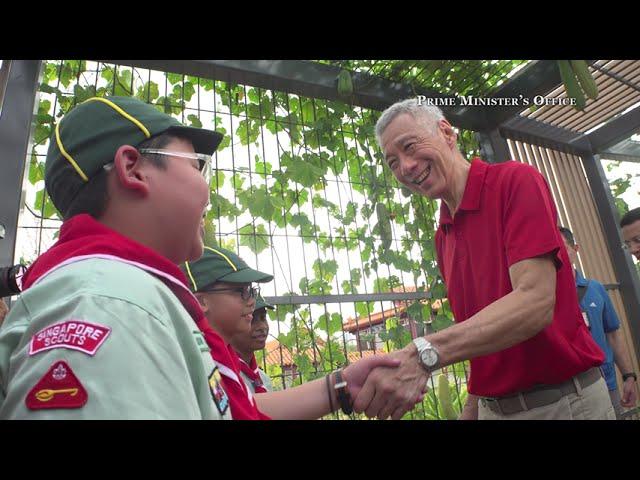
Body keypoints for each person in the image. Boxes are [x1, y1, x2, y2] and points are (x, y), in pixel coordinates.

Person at [353, 98, 614, 420]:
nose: (405, 167)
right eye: (392, 162)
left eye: (409, 146)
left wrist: (422, 354)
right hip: (492, 409)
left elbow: (534, 303)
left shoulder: (514, 181)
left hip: (562, 404)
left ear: (447, 133)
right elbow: (482, 333)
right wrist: (472, 409)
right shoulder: (443, 234)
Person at [0, 95, 231, 419]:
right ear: (132, 169)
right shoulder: (108, 303)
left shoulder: (121, 295)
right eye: (197, 165)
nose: (207, 186)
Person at [182, 246, 410, 420]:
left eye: (252, 291)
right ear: (201, 301)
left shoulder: (224, 358)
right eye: (241, 292)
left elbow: (249, 407)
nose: (251, 301)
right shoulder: (190, 358)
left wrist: (343, 384)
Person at [559, 226, 637, 418]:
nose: (558, 255)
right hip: (566, 391)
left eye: (562, 248)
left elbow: (613, 334)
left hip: (606, 383)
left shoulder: (595, 289)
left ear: (575, 249)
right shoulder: (541, 294)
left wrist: (628, 376)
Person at [230, 294, 274, 393]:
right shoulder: (227, 376)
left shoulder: (263, 379)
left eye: (263, 318)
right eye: (252, 319)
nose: (262, 326)